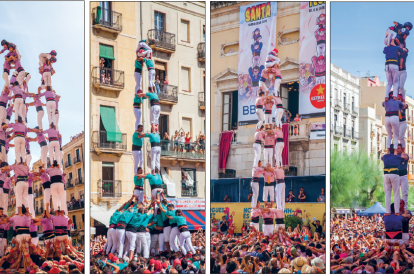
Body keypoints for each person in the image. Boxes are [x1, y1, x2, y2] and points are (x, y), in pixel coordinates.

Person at [381, 145, 402, 214]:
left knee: (387, 194)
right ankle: (396, 211)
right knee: (396, 193)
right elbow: (402, 159)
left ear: (389, 150)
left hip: (386, 175)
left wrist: (387, 152)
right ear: (395, 150)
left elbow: (382, 157)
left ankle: (388, 211)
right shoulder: (397, 157)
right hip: (394, 174)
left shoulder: (385, 156)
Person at [396, 144, 409, 209]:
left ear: (401, 149)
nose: (398, 149)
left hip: (403, 175)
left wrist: (401, 156)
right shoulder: (394, 156)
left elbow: (406, 157)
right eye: (397, 148)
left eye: (399, 148)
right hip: (396, 175)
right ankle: (397, 208)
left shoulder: (404, 155)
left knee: (405, 192)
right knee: (397, 192)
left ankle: (405, 208)